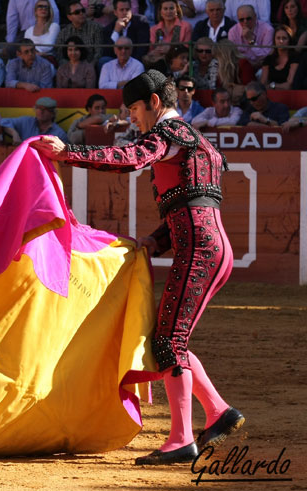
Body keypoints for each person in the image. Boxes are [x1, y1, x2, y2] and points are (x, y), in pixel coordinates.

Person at [31, 69, 244, 466]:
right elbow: (195, 201)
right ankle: (218, 411)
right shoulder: (194, 139)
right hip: (208, 246)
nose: (132, 119)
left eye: (134, 109)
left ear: (155, 104)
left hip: (199, 250)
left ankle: (181, 439)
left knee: (168, 342)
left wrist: (67, 152)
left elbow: (129, 158)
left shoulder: (168, 134)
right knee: (169, 335)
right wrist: (156, 240)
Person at [143, 0, 192, 69]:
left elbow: (186, 49)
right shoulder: (153, 29)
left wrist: (170, 49)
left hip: (179, 65)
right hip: (158, 64)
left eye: (171, 8)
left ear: (177, 10)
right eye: (165, 9)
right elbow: (151, 50)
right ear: (160, 12)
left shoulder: (186, 26)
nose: (168, 12)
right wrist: (155, 52)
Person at [0, 96, 69, 144]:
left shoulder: (59, 134)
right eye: (39, 108)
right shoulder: (26, 122)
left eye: (45, 109)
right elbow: (3, 122)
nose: (41, 112)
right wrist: (14, 134)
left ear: (53, 113)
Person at [54, 1, 103, 68]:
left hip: (90, 66)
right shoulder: (64, 32)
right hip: (70, 68)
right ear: (69, 17)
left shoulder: (95, 28)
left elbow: (98, 52)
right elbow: (59, 54)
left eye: (83, 10)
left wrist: (90, 66)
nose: (81, 13)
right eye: (77, 12)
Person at [227, 4, 274, 70]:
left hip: (262, 67)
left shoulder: (267, 30)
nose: (245, 22)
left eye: (248, 18)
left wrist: (251, 40)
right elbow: (232, 55)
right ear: (238, 19)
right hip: (242, 67)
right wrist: (247, 64)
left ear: (255, 16)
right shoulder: (233, 31)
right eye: (241, 20)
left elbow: (266, 55)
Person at [213, 38, 255, 104]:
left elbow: (249, 87)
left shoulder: (244, 64)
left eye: (217, 57)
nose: (216, 60)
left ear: (223, 55)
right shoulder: (219, 68)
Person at [260, 25, 299, 90]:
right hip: (270, 95)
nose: (281, 41)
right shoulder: (268, 59)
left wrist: (272, 85)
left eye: (284, 38)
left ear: (289, 40)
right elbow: (263, 84)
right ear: (274, 40)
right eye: (278, 38)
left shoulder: (295, 58)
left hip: (289, 95)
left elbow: (289, 85)